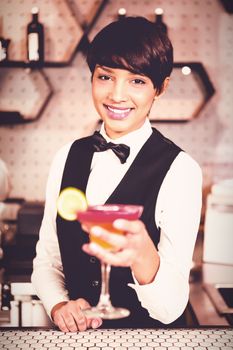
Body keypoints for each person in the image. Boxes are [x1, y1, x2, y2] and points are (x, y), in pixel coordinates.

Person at [31, 16, 202, 332]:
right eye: (105, 77)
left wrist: (143, 257)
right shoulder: (65, 157)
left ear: (160, 88)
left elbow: (171, 309)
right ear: (92, 78)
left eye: (136, 81)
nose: (117, 96)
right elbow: (47, 261)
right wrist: (58, 305)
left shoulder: (181, 171)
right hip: (79, 341)